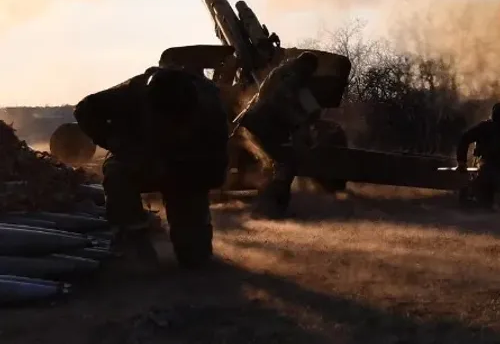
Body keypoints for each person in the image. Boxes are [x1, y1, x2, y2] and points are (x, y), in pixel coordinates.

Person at [73, 67, 229, 268]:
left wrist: (192, 183)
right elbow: (84, 110)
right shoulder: (131, 93)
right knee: (117, 173)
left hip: (184, 165)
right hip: (140, 156)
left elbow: (216, 166)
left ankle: (189, 238)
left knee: (195, 257)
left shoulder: (211, 107)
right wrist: (118, 144)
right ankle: (132, 237)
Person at [232, 52, 328, 219]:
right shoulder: (290, 77)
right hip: (262, 124)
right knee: (284, 164)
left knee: (277, 164)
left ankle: (269, 206)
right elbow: (279, 101)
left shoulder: (285, 72)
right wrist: (299, 121)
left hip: (259, 123)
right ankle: (269, 209)